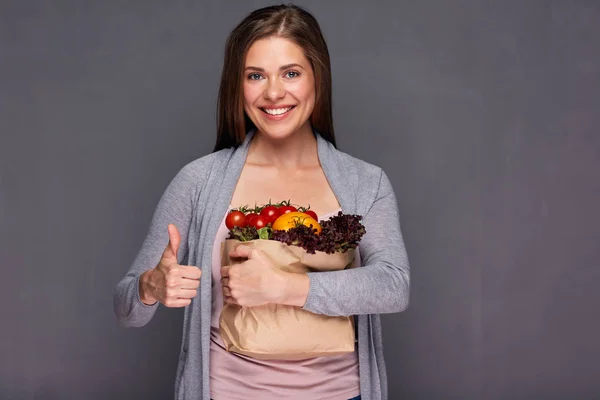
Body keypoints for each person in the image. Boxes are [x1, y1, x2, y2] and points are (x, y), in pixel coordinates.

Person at [114, 4, 410, 400]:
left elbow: (393, 286)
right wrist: (151, 287)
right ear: (238, 85)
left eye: (291, 73)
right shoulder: (199, 181)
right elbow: (127, 307)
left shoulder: (364, 182)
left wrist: (284, 287)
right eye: (256, 75)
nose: (273, 92)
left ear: (316, 79)